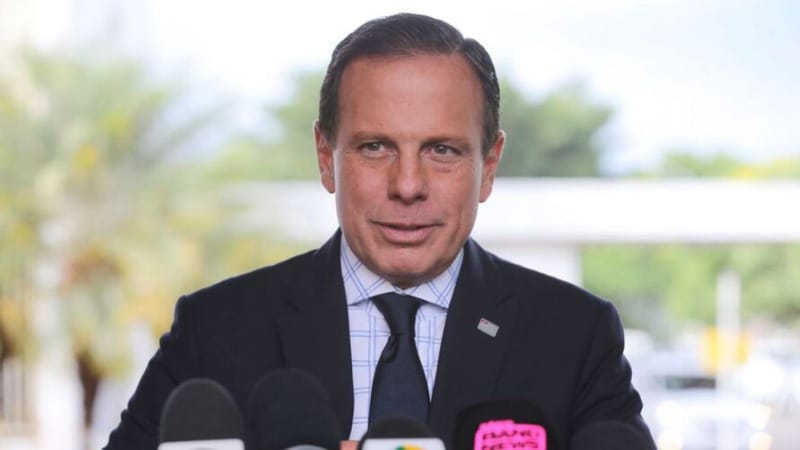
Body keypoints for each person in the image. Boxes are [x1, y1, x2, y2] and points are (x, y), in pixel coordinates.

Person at [105, 13, 653, 450]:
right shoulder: (216, 329)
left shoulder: (573, 335)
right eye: (375, 147)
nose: (407, 185)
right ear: (326, 157)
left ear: (488, 166)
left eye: (442, 151)